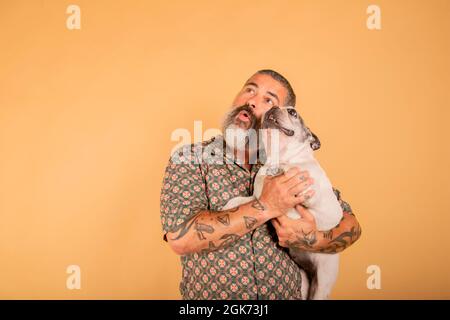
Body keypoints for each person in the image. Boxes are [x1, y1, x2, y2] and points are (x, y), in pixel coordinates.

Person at [159, 69, 362, 300]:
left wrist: (313, 239)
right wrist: (265, 205)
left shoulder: (290, 162)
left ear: (277, 118)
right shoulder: (190, 157)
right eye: (249, 90)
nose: (253, 102)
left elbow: (351, 225)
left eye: (268, 100)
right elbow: (180, 238)